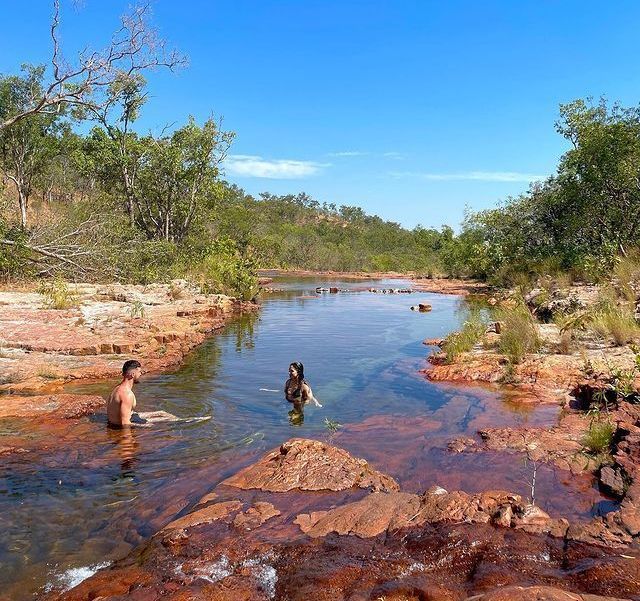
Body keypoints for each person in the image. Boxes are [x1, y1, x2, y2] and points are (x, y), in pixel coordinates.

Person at [107, 360, 143, 427]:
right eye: (139, 372)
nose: (141, 374)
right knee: (154, 426)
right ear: (132, 375)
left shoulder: (117, 388)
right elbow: (125, 424)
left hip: (112, 423)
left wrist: (159, 414)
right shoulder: (127, 394)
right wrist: (149, 427)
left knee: (164, 416)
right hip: (118, 428)